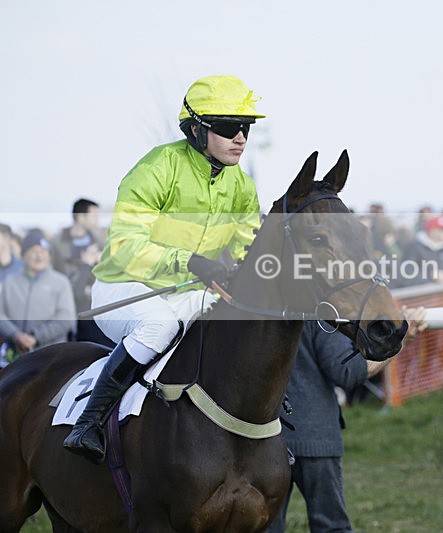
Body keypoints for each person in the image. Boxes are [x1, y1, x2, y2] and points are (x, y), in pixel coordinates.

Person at [63, 75, 264, 462]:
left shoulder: (242, 185)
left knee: (240, 323)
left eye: (245, 128)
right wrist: (187, 260)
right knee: (160, 325)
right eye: (227, 127)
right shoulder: (158, 167)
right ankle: (88, 423)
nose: (240, 137)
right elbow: (124, 246)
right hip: (123, 286)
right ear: (195, 129)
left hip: (184, 290)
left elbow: (245, 248)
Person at [267, 308, 428, 533]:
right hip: (316, 439)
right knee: (332, 528)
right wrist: (398, 344)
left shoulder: (253, 303)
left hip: (263, 440)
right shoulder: (320, 310)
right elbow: (347, 372)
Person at [0, 229, 76, 366]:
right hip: (14, 356)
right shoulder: (10, 281)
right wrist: (16, 335)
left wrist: (35, 337)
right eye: (34, 251)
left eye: (44, 251)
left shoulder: (61, 282)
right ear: (24, 255)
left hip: (50, 356)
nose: (39, 256)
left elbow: (65, 318)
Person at [52, 198, 110, 343]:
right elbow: (56, 278)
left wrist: (103, 261)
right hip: (71, 310)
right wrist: (84, 264)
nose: (98, 220)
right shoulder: (58, 244)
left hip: (98, 309)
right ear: (80, 217)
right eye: (94, 216)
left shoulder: (101, 241)